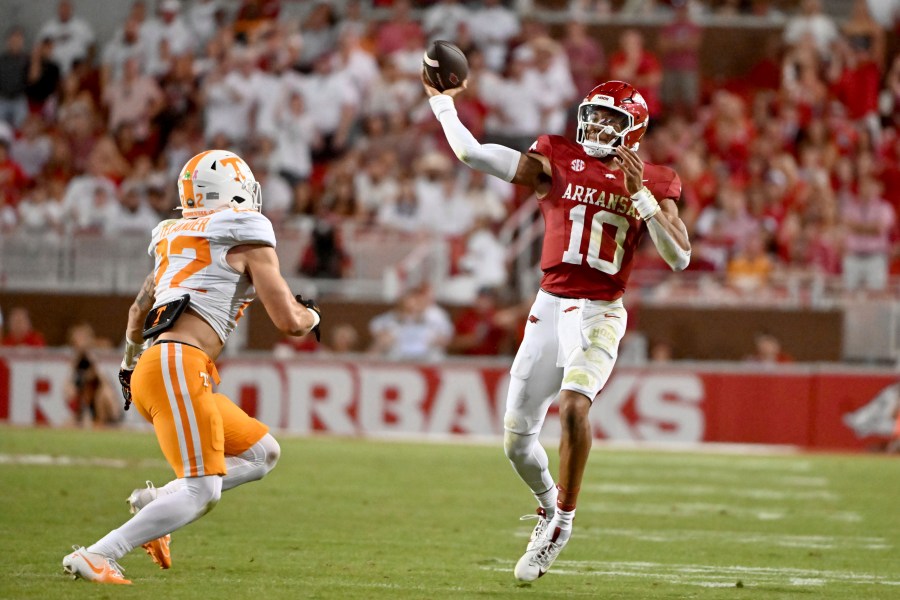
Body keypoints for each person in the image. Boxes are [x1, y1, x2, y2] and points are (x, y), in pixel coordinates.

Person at [423, 76, 690, 580]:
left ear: (633, 129)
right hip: (548, 307)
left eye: (611, 118)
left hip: (600, 311)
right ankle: (547, 503)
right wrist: (441, 103)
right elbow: (474, 155)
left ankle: (563, 522)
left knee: (573, 404)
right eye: (594, 114)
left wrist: (642, 198)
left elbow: (679, 257)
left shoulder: (654, 179)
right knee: (517, 442)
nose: (596, 125)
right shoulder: (557, 157)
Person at [62, 149, 322, 584]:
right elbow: (290, 321)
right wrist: (315, 315)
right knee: (203, 491)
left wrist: (128, 366)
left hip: (161, 366)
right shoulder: (248, 235)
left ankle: (156, 501)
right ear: (234, 191)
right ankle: (98, 554)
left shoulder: (174, 237)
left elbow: (136, 311)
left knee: (262, 453)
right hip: (177, 366)